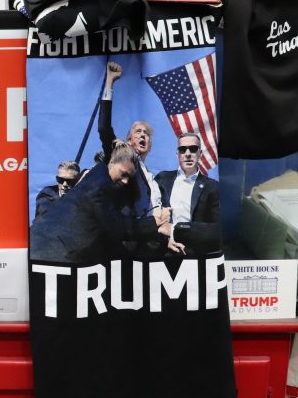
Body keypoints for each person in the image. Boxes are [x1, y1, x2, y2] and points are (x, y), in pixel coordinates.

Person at [30, 143, 168, 264]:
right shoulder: (92, 189)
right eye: (60, 180)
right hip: (52, 259)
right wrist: (154, 223)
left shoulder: (111, 196)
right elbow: (117, 227)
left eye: (70, 181)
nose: (65, 184)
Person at [99, 61, 164, 220]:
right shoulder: (121, 157)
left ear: (150, 145)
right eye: (138, 132)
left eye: (146, 134)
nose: (143, 135)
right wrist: (110, 82)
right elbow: (104, 128)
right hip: (128, 230)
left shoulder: (150, 176)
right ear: (128, 140)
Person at [155, 132, 222, 255]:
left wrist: (175, 229)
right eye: (182, 149)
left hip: (194, 253)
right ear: (177, 154)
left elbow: (217, 229)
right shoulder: (162, 179)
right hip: (162, 250)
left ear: (200, 154)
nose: (188, 154)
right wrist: (166, 238)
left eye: (193, 149)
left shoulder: (213, 187)